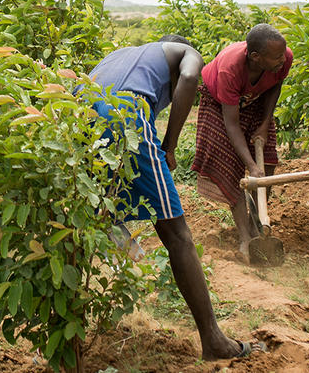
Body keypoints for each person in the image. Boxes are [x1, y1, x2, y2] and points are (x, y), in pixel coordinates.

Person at [88, 35, 264, 360]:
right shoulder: (185, 53)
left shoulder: (123, 54)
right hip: (124, 113)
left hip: (81, 117)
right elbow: (188, 76)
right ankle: (214, 341)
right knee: (178, 235)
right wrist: (168, 144)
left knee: (100, 208)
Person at [189, 24, 294, 263]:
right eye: (276, 57)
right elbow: (232, 124)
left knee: (267, 164)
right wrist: (249, 164)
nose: (283, 59)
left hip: (257, 101)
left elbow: (275, 85)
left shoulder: (283, 57)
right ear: (255, 57)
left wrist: (265, 124)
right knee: (231, 167)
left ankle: (258, 224)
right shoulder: (230, 69)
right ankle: (246, 236)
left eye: (283, 54)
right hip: (220, 106)